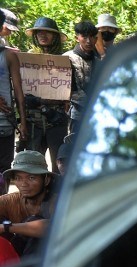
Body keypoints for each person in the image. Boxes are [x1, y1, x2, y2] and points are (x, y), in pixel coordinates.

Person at [24, 17, 68, 163]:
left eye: (47, 32)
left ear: (55, 36)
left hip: (57, 120)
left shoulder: (65, 60)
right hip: (33, 121)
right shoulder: (27, 59)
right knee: (33, 164)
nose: (43, 35)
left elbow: (69, 91)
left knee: (59, 163)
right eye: (39, 32)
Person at [0, 150, 52, 256]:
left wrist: (6, 227)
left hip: (51, 258)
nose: (23, 184)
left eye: (31, 178)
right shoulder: (9, 201)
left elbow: (53, 228)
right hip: (16, 258)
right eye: (18, 178)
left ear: (46, 180)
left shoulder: (58, 201)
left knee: (34, 223)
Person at [0, 29, 26, 180]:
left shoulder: (9, 56)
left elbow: (18, 91)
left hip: (5, 124)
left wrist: (23, 123)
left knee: (4, 171)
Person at [63, 21, 97, 133]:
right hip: (76, 114)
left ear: (96, 39)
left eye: (92, 37)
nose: (88, 41)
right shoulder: (67, 58)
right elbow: (69, 89)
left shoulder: (98, 60)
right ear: (77, 38)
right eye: (84, 37)